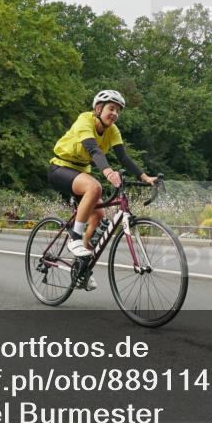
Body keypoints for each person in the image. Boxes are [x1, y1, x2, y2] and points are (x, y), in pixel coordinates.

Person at [47, 90, 158, 291]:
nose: (115, 114)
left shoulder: (113, 130)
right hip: (60, 168)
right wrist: (108, 172)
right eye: (111, 109)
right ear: (98, 109)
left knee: (99, 215)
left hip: (80, 172)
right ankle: (74, 239)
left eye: (118, 111)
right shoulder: (84, 121)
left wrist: (145, 177)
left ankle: (82, 268)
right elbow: (94, 150)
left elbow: (124, 158)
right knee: (95, 187)